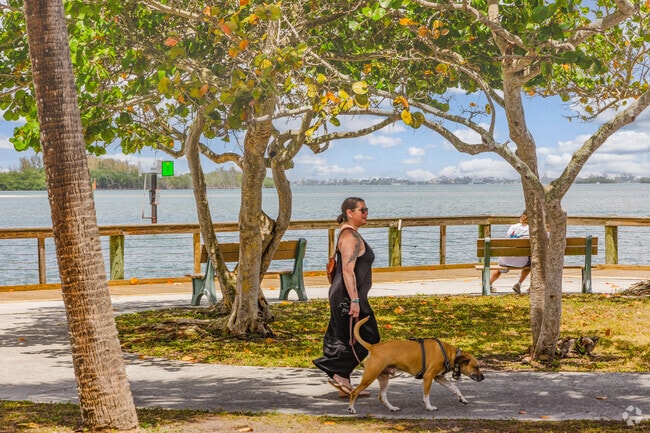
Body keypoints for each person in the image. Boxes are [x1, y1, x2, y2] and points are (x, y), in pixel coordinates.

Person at [313, 197, 380, 397]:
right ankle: (336, 372)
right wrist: (355, 300)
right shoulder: (350, 237)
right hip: (348, 296)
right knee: (368, 336)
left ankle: (344, 382)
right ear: (349, 212)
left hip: (346, 295)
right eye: (363, 210)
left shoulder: (350, 234)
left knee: (344, 336)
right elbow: (348, 271)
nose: (366, 213)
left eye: (367, 209)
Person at [489, 211, 530, 294]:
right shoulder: (534, 230)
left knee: (499, 266)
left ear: (522, 216)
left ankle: (488, 284)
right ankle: (519, 283)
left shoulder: (512, 227)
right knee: (534, 263)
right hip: (522, 262)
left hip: (505, 260)